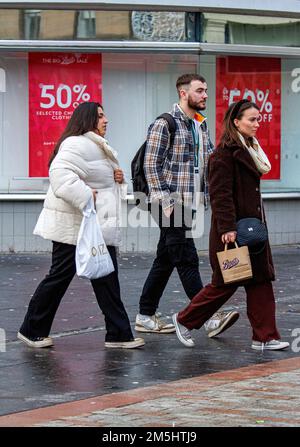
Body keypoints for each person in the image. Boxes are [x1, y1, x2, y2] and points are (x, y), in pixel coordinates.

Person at [18, 102, 144, 350]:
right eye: (99, 116)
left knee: (106, 277)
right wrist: (88, 195)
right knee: (60, 277)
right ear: (86, 120)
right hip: (73, 225)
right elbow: (60, 175)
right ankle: (31, 329)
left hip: (93, 227)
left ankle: (118, 334)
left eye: (105, 114)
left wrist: (117, 179)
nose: (106, 120)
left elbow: (96, 177)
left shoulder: (94, 144)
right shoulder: (76, 143)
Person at [172, 99, 290, 351]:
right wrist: (227, 228)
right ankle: (183, 320)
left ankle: (265, 337)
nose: (257, 124)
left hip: (252, 231)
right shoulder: (224, 154)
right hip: (235, 232)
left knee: (260, 283)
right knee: (224, 284)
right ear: (236, 122)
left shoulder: (250, 149)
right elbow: (220, 194)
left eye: (259, 119)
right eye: (252, 119)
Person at [135, 73, 239, 336]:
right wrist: (167, 202)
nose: (205, 95)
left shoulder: (199, 125)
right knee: (186, 257)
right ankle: (208, 317)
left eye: (206, 90)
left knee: (166, 259)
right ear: (184, 93)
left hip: (190, 203)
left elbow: (211, 161)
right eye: (200, 90)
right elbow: (151, 164)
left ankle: (145, 315)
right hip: (170, 202)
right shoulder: (165, 123)